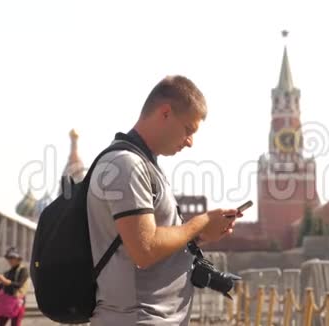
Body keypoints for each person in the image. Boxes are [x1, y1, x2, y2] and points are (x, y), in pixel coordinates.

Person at [86, 75, 244, 325]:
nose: (190, 142)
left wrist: (199, 236)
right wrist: (201, 222)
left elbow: (145, 243)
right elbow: (145, 249)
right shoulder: (127, 165)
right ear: (165, 113)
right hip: (138, 318)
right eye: (188, 129)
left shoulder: (143, 165)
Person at [0, 247, 29, 326]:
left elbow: (19, 284)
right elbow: (0, 288)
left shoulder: (23, 270)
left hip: (17, 302)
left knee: (15, 324)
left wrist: (4, 281)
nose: (10, 260)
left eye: (12, 258)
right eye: (9, 258)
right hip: (6, 302)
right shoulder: (8, 272)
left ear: (18, 259)